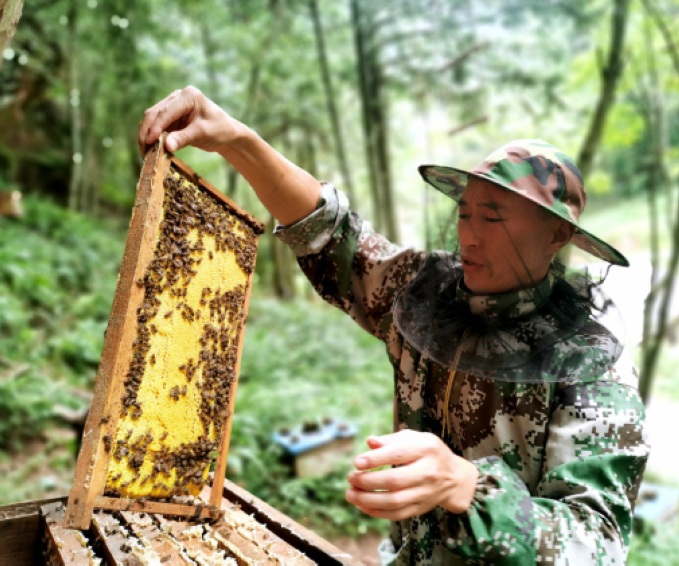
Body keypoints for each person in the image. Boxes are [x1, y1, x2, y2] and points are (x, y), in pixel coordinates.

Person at [140, 86, 649, 565]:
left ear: (557, 233)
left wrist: (468, 488)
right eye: (465, 214)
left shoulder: (593, 368)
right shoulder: (423, 290)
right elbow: (330, 234)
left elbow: (596, 540)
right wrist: (237, 139)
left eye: (492, 219)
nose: (469, 236)